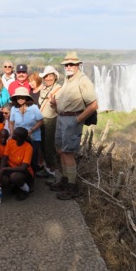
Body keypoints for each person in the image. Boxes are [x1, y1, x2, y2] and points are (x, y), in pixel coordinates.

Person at [50, 52, 98, 200]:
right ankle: (65, 180)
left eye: (72, 64)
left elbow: (93, 105)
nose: (69, 66)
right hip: (62, 118)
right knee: (61, 150)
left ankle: (72, 187)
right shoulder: (68, 79)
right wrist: (56, 104)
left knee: (68, 152)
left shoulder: (83, 81)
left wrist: (77, 120)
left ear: (78, 65)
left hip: (72, 120)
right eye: (67, 64)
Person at [36, 66, 62, 183]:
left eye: (50, 75)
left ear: (55, 77)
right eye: (46, 76)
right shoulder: (44, 89)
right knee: (43, 146)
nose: (48, 78)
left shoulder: (59, 89)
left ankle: (53, 173)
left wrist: (55, 104)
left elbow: (62, 109)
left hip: (51, 120)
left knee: (49, 147)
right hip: (42, 119)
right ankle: (47, 169)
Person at [9, 87, 44, 174]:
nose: (20, 99)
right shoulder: (14, 108)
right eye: (18, 97)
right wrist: (12, 134)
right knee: (21, 157)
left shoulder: (34, 108)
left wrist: (31, 130)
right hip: (19, 137)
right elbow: (11, 122)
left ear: (27, 98)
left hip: (33, 137)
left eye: (22, 97)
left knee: (32, 157)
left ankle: (32, 176)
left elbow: (40, 121)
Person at [0, 127, 34, 201]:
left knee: (14, 177)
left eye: (14, 134)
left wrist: (5, 169)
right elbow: (5, 157)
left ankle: (26, 190)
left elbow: (23, 167)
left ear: (19, 138)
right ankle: (16, 186)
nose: (12, 134)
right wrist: (1, 170)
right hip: (11, 168)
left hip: (24, 172)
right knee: (4, 180)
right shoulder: (11, 142)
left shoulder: (28, 147)